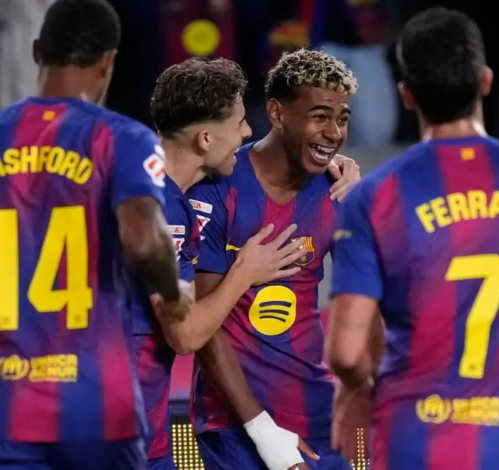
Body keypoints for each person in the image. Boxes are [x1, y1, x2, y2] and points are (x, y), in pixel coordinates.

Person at [324, 7, 499, 470]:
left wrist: (356, 388)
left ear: (406, 95)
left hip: (413, 443)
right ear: (485, 81)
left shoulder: (374, 196)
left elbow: (346, 352)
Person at [135, 57, 362, 470]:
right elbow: (193, 333)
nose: (335, 132)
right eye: (320, 116)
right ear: (277, 113)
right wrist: (261, 429)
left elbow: (367, 302)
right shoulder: (205, 192)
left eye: (342, 119)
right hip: (227, 423)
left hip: (318, 418)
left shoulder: (339, 189)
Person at [0, 0, 189, 469]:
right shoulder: (123, 138)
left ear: (37, 51)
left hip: (7, 402)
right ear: (108, 61)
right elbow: (144, 239)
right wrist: (174, 293)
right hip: (96, 405)